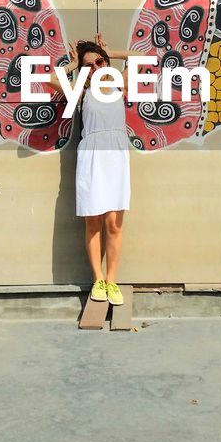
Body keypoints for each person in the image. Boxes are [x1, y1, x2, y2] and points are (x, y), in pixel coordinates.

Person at [49, 32, 135, 307]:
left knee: (114, 223)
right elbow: (53, 79)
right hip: (92, 155)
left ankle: (112, 280)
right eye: (91, 66)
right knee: (93, 221)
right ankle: (97, 279)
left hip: (116, 154)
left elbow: (139, 58)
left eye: (99, 62)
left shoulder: (120, 84)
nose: (96, 68)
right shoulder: (81, 92)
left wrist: (111, 55)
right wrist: (75, 64)